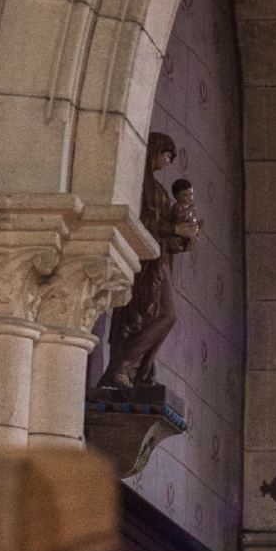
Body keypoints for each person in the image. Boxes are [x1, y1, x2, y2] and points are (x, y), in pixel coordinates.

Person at [103, 132, 201, 389]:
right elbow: (141, 224)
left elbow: (166, 235)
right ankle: (122, 365)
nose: (167, 162)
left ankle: (136, 370)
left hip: (159, 260)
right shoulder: (140, 186)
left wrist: (186, 237)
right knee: (163, 315)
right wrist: (176, 230)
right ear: (153, 152)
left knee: (161, 315)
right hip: (145, 263)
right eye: (166, 155)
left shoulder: (159, 191)